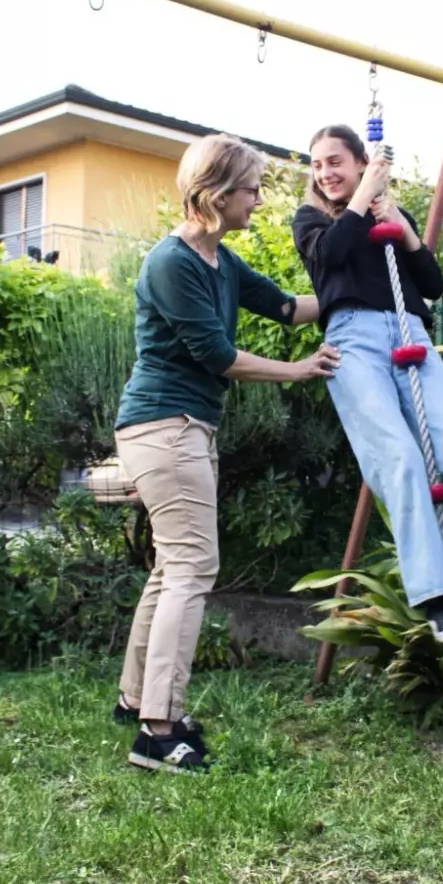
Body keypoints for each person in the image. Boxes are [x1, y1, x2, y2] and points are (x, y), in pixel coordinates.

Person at [114, 133, 339, 774]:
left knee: (171, 569)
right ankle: (159, 731)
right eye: (251, 189)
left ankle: (137, 701)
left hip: (187, 427)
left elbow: (290, 308)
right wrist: (298, 373)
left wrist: (362, 294)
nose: (260, 201)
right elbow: (217, 355)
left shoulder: (222, 261)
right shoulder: (172, 262)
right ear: (215, 192)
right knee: (192, 569)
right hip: (164, 426)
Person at [292, 124, 443, 643]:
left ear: (359, 161)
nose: (326, 173)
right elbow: (329, 258)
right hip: (352, 341)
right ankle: (440, 600)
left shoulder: (385, 215)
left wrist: (402, 225)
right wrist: (364, 196)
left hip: (409, 330)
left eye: (336, 162)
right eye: (318, 165)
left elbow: (433, 286)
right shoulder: (311, 219)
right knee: (398, 457)